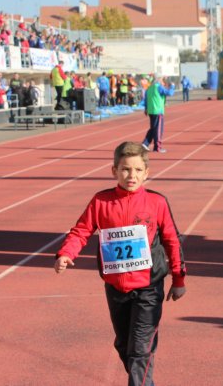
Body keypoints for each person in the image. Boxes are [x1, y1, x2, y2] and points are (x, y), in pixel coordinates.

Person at [54, 141, 187, 386]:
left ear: (147, 173)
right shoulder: (101, 202)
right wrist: (66, 253)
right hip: (116, 288)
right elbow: (81, 230)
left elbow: (172, 240)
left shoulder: (157, 202)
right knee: (124, 344)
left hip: (148, 286)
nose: (131, 175)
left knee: (139, 350)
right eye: (125, 169)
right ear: (114, 170)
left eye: (138, 170)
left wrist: (178, 279)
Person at [142, 76, 175, 153]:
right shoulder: (158, 87)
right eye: (162, 80)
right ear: (159, 80)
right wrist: (172, 86)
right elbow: (170, 93)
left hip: (151, 111)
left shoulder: (149, 88)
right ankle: (157, 147)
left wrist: (146, 109)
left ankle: (145, 143)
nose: (163, 82)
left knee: (153, 129)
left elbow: (146, 100)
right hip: (158, 111)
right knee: (158, 130)